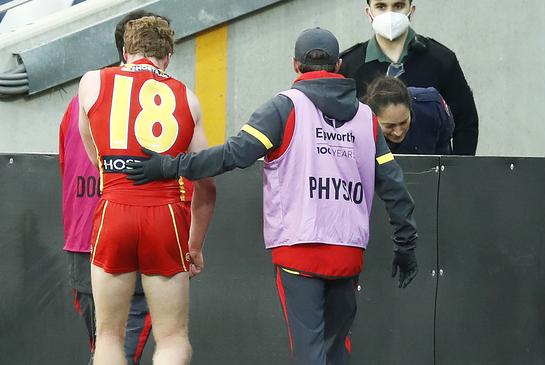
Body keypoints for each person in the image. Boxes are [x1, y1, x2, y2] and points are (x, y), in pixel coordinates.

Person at [125, 27, 418, 365]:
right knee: (337, 350)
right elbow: (394, 186)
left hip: (298, 252)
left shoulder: (284, 108)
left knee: (309, 351)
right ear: (338, 64)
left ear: (296, 65)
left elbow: (231, 155)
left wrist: (169, 165)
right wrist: (406, 244)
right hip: (347, 253)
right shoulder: (366, 119)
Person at [77, 16, 216, 365]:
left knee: (108, 336)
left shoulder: (92, 82)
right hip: (166, 215)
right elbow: (207, 182)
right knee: (171, 339)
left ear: (125, 52)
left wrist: (116, 177)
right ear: (167, 56)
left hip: (115, 208)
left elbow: (93, 149)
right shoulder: (188, 97)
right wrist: (194, 245)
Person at [58, 10, 185, 365]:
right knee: (139, 343)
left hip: (84, 242)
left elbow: (67, 167)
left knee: (105, 345)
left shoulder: (79, 101)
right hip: (136, 238)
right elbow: (185, 176)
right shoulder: (169, 101)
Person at [340, 0, 479, 155]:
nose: (390, 14)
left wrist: (457, 172)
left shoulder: (441, 59)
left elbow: (466, 122)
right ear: (368, 12)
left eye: (398, 6)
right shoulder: (350, 65)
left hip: (431, 173)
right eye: (381, 6)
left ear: (411, 10)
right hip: (369, 174)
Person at [363, 76, 454, 154]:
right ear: (373, 118)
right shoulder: (358, 126)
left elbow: (443, 156)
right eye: (390, 126)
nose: (398, 132)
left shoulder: (432, 108)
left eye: (403, 122)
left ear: (410, 109)